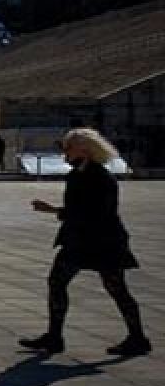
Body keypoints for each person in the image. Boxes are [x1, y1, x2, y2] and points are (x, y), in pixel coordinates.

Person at [21, 128, 150, 356]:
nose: (64, 153)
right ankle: (54, 337)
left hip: (103, 242)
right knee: (57, 282)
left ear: (84, 150)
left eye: (68, 148)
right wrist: (61, 213)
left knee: (117, 289)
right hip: (78, 240)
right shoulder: (76, 175)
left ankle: (137, 338)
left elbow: (96, 213)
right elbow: (79, 210)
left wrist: (55, 211)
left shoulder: (101, 178)